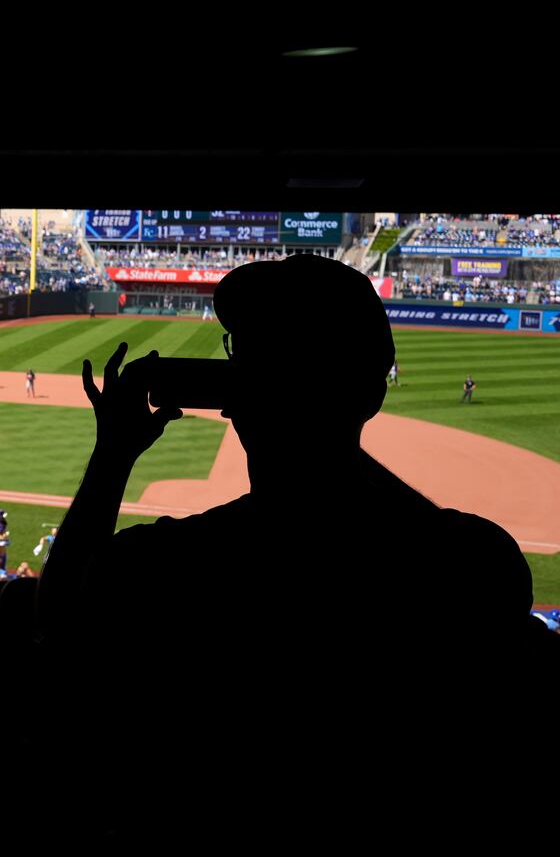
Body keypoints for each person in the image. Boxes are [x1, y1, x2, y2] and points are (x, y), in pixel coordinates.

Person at [35, 253, 545, 842]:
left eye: (241, 353)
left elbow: (56, 631)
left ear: (235, 397)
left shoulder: (166, 566)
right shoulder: (474, 561)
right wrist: (322, 422)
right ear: (371, 396)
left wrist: (112, 456)